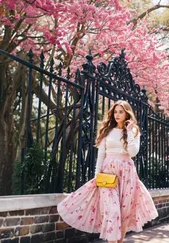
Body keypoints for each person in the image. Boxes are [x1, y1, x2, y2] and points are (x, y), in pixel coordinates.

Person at [57, 100, 158, 243]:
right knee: (113, 211)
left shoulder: (134, 131)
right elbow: (101, 155)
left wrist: (129, 133)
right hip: (108, 174)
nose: (117, 115)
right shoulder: (107, 130)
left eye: (121, 112)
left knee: (124, 213)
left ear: (127, 113)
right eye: (115, 111)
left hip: (127, 174)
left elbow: (133, 152)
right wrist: (97, 176)